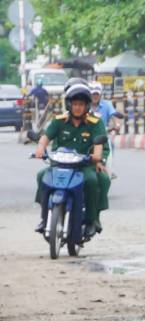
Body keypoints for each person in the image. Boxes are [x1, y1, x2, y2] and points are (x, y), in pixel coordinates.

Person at [33, 82, 110, 238]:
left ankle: (91, 220)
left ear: (87, 105)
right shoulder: (59, 121)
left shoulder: (96, 123)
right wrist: (40, 148)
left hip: (83, 166)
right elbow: (46, 137)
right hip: (59, 165)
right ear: (69, 104)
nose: (78, 107)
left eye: (81, 104)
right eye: (75, 104)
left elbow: (99, 145)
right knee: (42, 176)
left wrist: (97, 158)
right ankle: (44, 218)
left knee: (92, 180)